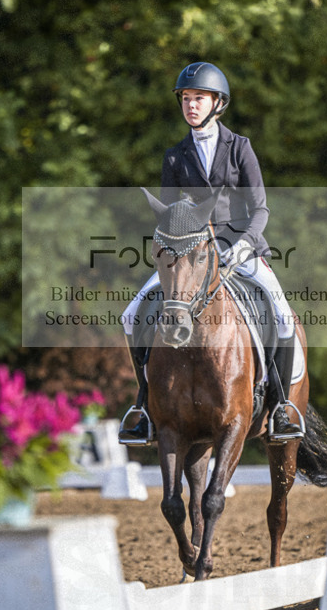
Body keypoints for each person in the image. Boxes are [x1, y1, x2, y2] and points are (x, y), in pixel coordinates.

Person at [119, 60, 302, 443]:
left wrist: (243, 245)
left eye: (198, 98)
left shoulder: (240, 148)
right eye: (186, 98)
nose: (191, 105)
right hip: (190, 255)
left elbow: (261, 209)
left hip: (241, 249)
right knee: (131, 312)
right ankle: (144, 406)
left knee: (282, 314)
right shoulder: (174, 156)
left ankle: (282, 406)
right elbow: (170, 216)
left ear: (218, 102)